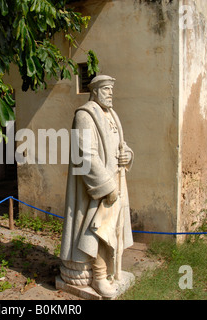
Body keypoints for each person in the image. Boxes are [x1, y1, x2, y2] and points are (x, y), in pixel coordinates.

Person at [59, 75, 134, 298]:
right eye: (106, 89)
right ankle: (99, 277)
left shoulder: (112, 115)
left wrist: (127, 155)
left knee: (111, 229)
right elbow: (85, 155)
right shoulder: (84, 115)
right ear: (94, 91)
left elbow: (122, 145)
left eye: (112, 89)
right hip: (93, 188)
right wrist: (106, 186)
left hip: (116, 181)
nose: (111, 93)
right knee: (97, 231)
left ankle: (110, 272)